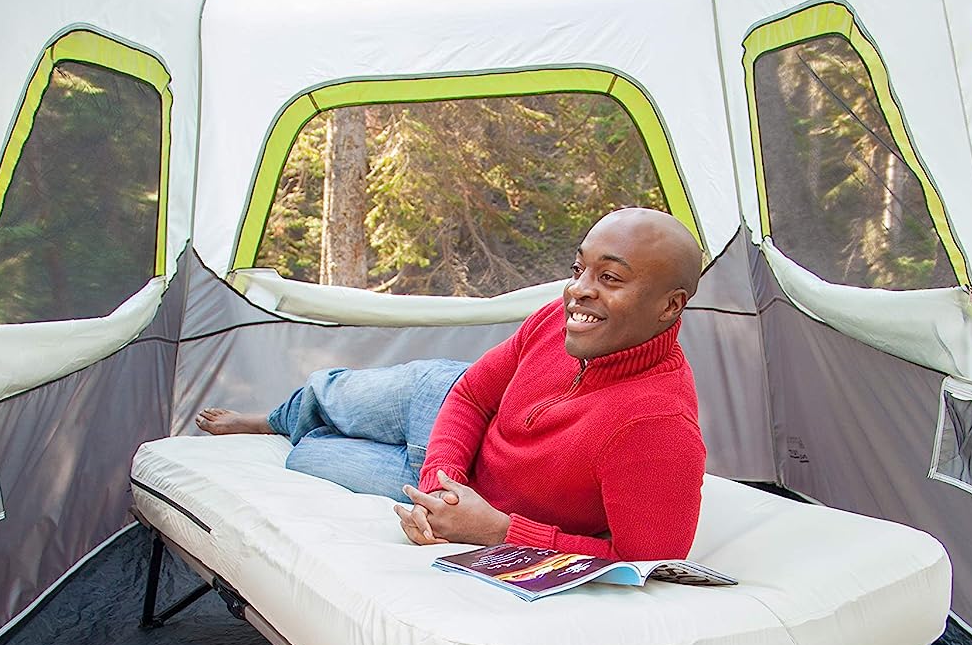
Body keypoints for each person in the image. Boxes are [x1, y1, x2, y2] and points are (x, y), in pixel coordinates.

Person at [196, 208, 706, 561]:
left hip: (465, 500)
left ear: (670, 305)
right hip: (439, 406)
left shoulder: (657, 427)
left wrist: (499, 530)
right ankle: (270, 419)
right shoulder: (556, 319)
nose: (578, 290)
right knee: (328, 394)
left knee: (308, 456)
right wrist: (443, 480)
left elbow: (647, 561)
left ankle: (292, 429)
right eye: (579, 269)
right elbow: (471, 395)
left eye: (609, 278)